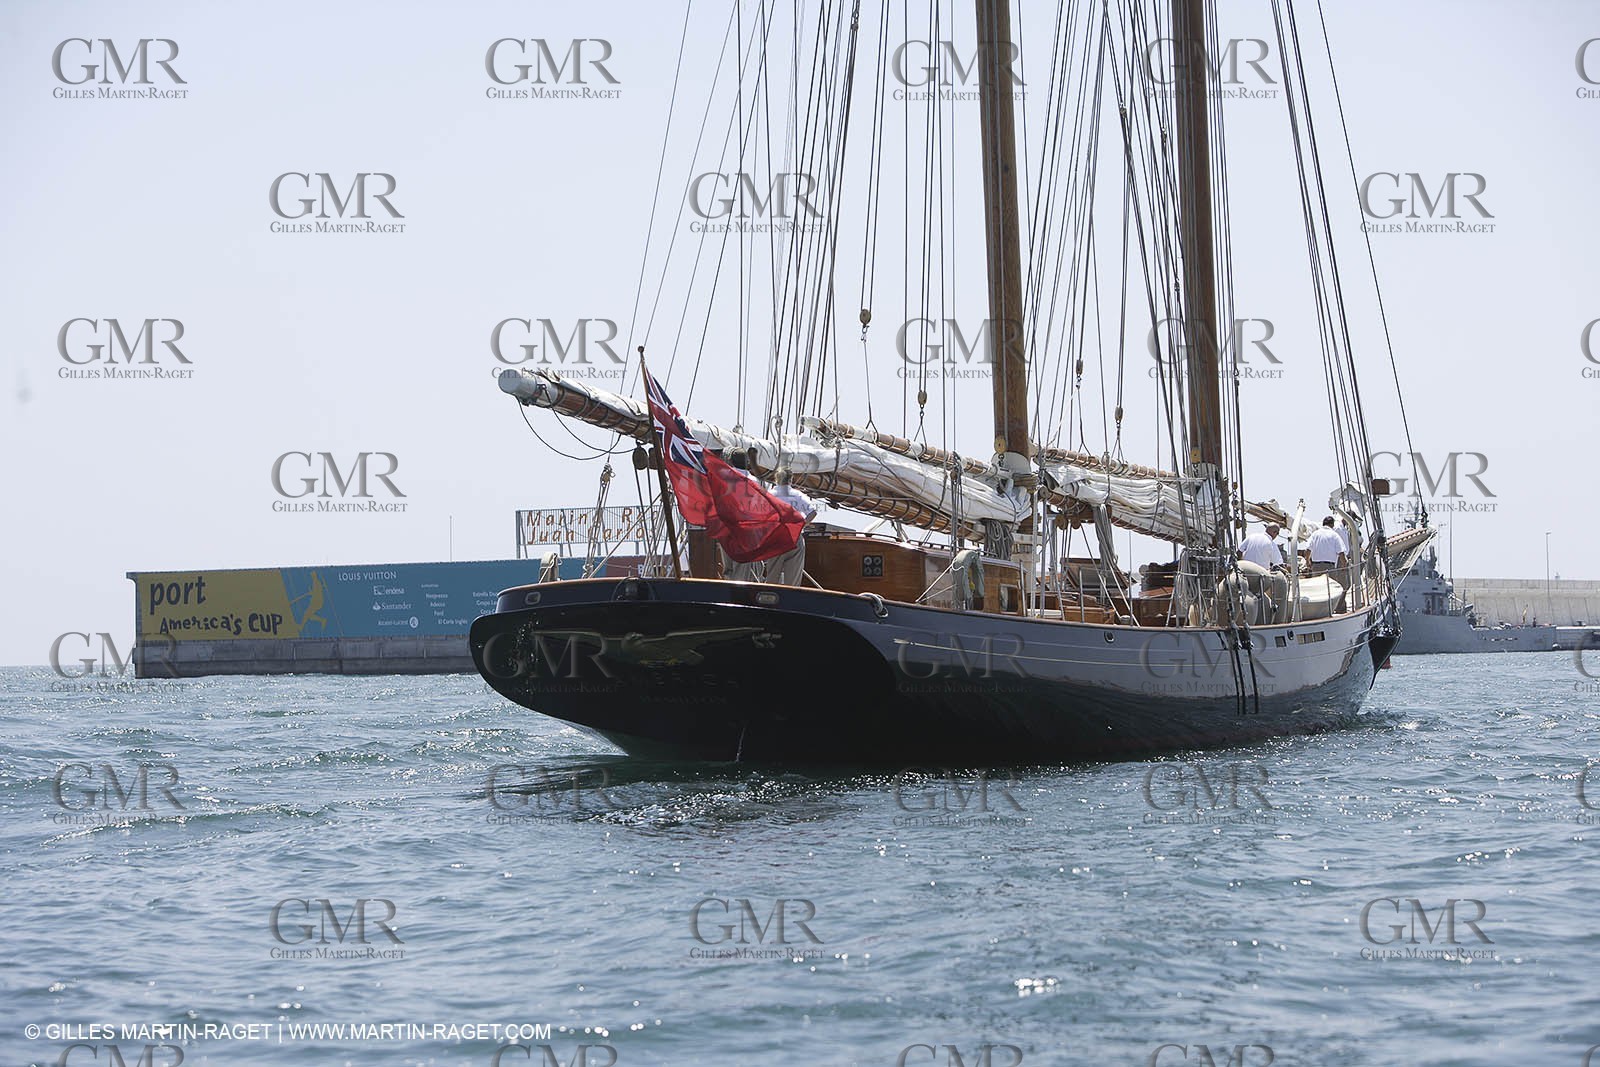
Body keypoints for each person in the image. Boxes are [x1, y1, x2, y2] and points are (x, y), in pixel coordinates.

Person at [766, 467, 818, 586]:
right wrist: (800, 526)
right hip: (794, 537)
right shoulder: (797, 495)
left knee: (772, 575)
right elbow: (812, 512)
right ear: (791, 479)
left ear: (776, 479)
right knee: (793, 578)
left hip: (776, 537)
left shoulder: (769, 495)